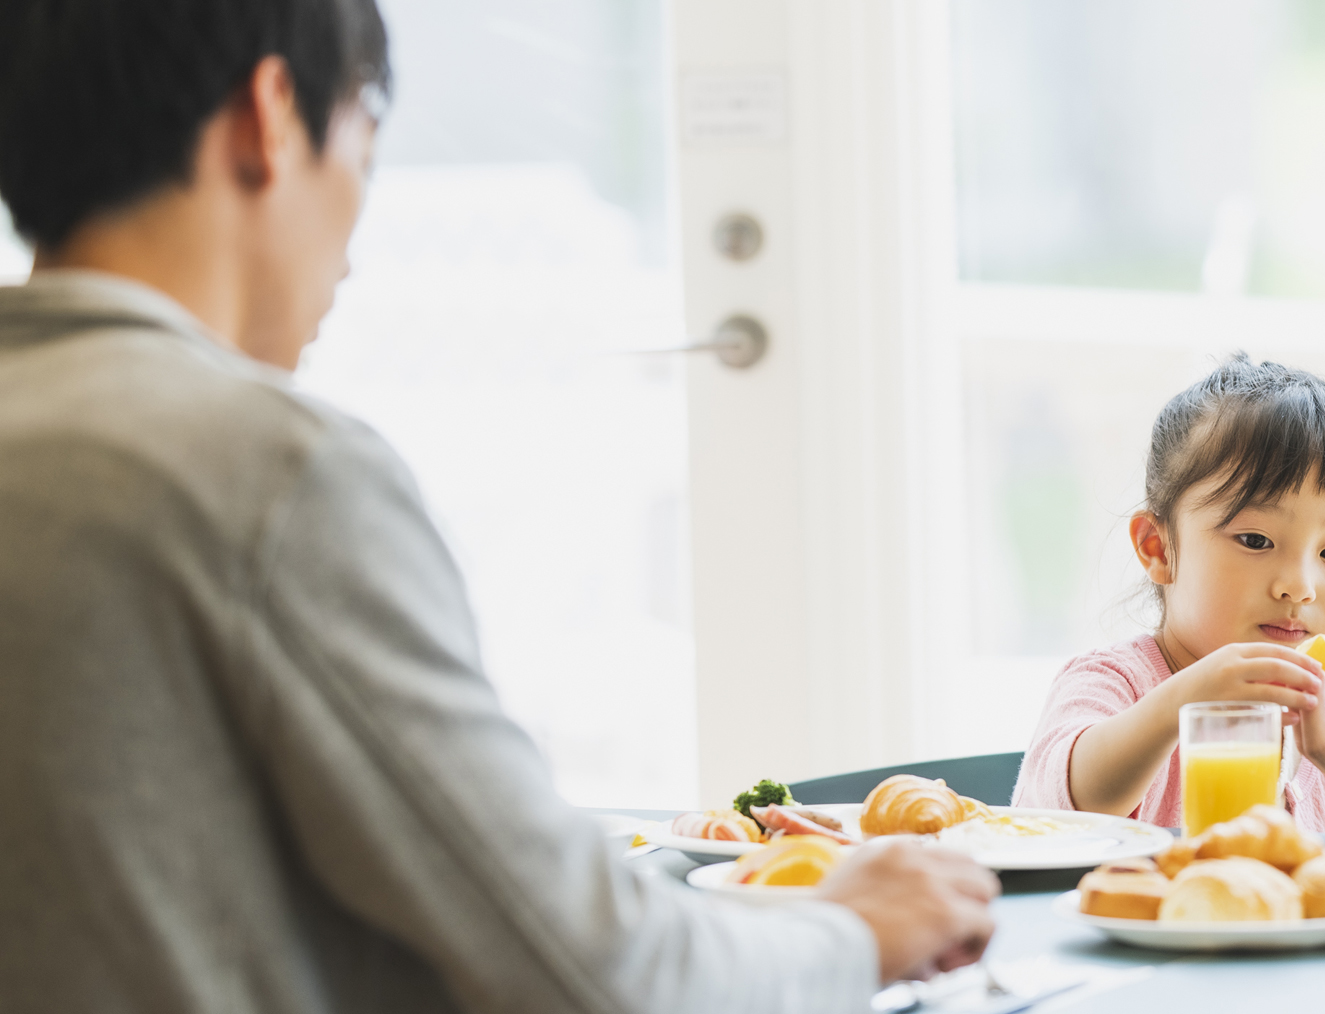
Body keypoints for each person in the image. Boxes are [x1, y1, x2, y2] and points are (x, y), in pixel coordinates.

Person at [0, 1, 994, 1009]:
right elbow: (594, 974)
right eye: (368, 141)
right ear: (269, 114)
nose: (351, 248)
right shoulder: (263, 472)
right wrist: (848, 929)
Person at [1011, 354, 1325, 831]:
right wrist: (1185, 700)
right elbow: (1072, 804)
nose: (1299, 587)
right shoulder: (1115, 683)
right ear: (1158, 548)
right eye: (1255, 541)